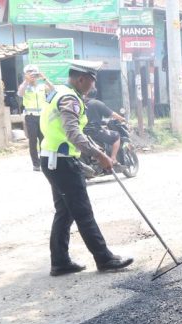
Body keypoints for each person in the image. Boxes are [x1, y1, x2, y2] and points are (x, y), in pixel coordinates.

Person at [39, 60, 134, 277]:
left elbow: (72, 133)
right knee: (83, 212)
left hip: (54, 159)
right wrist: (100, 155)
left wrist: (94, 147)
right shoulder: (69, 98)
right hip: (61, 162)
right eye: (91, 82)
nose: (93, 86)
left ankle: (60, 262)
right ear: (81, 79)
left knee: (65, 212)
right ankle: (104, 258)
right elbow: (73, 133)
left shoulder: (60, 92)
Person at [18, 64, 54, 171]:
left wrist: (44, 78)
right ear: (26, 75)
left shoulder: (42, 86)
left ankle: (44, 162)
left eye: (34, 74)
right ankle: (36, 164)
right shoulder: (24, 86)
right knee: (33, 141)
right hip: (31, 117)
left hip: (42, 117)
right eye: (30, 74)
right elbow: (20, 93)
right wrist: (26, 81)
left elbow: (53, 89)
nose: (32, 76)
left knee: (43, 140)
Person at [84, 95, 125, 163]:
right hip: (95, 131)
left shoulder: (82, 104)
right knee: (116, 136)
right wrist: (122, 119)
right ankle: (113, 158)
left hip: (83, 132)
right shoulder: (97, 103)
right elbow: (112, 114)